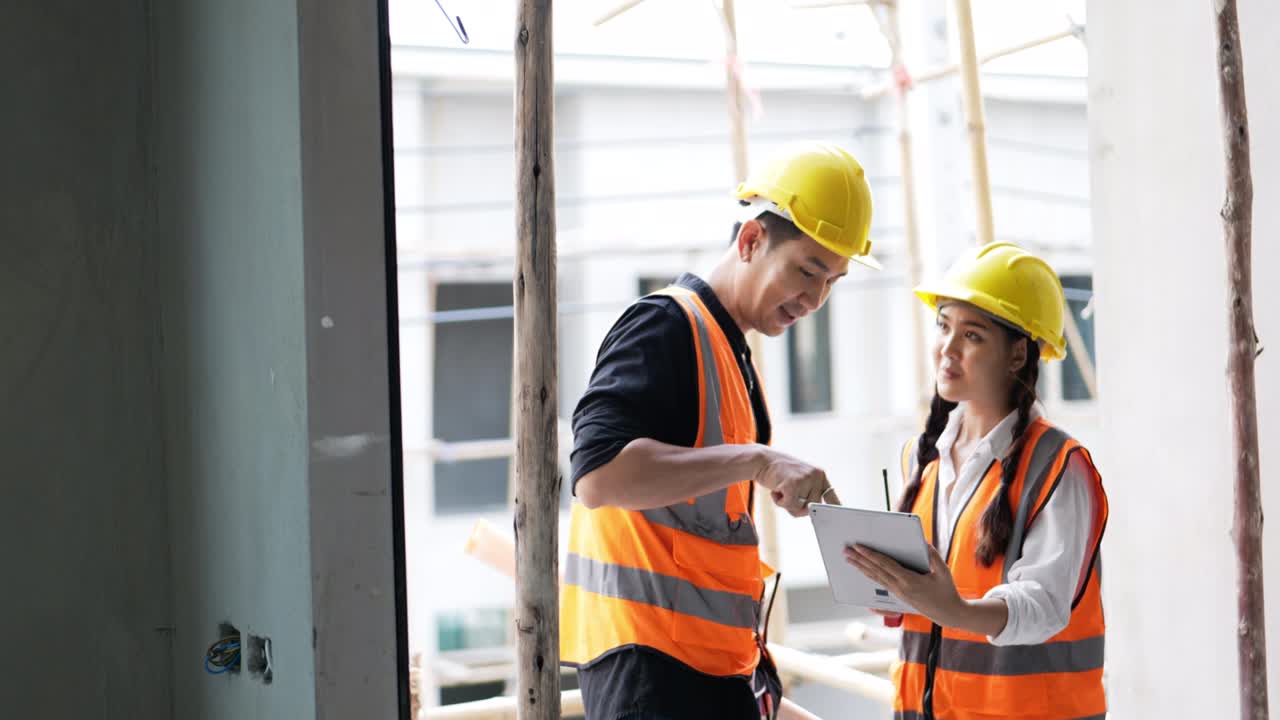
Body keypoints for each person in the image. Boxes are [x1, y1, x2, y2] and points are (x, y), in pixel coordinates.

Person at [560, 142, 878, 720]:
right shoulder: (665, 325)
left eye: (831, 280)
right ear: (751, 240)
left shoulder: (730, 356)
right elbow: (597, 476)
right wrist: (757, 461)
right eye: (807, 270)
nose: (814, 299)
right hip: (650, 673)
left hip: (703, 672)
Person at [844, 242, 1109, 720]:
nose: (948, 348)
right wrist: (889, 589)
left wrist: (953, 610)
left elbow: (1043, 605)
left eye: (973, 335)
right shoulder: (920, 459)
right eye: (943, 325)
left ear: (1016, 356)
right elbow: (934, 601)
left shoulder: (1058, 466)